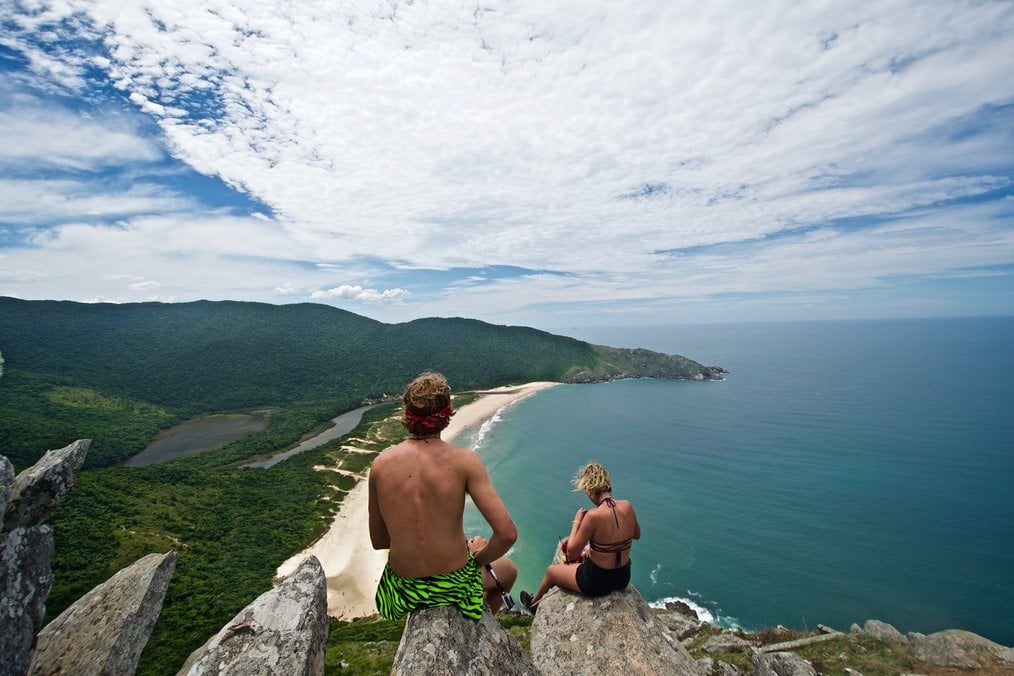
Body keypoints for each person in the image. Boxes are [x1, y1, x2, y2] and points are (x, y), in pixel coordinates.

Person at [369, 372, 518, 621]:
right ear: (447, 415)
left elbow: (380, 541)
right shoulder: (465, 461)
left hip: (403, 590)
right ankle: (480, 626)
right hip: (453, 585)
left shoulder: (380, 465)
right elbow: (507, 534)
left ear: (406, 414)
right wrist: (476, 555)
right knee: (509, 571)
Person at [520, 461, 640, 612]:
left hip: (596, 582)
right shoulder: (627, 506)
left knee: (551, 572)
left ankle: (533, 605)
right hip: (623, 578)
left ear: (590, 490)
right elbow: (636, 535)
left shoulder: (593, 516)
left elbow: (571, 552)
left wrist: (576, 522)